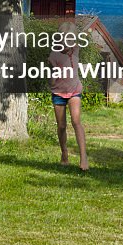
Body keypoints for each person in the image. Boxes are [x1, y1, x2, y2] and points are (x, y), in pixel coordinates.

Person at [49, 21, 88, 171]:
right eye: (65, 40)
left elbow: (80, 38)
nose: (68, 43)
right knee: (61, 126)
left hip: (74, 91)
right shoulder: (54, 55)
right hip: (58, 92)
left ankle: (83, 157)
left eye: (71, 40)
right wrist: (54, 72)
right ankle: (64, 153)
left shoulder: (76, 50)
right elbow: (51, 80)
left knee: (76, 121)